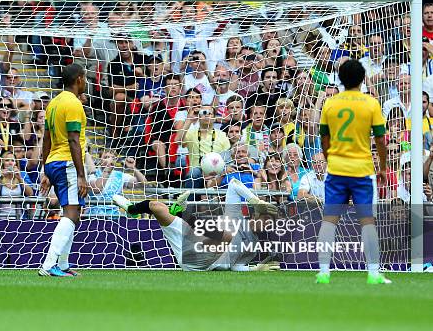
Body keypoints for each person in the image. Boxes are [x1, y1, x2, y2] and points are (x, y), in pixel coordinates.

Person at [316, 59, 390, 285]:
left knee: (329, 220)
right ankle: (374, 273)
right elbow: (380, 139)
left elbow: (324, 138)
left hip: (336, 169)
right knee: (367, 221)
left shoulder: (330, 103)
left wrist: (331, 159)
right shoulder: (371, 103)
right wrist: (384, 167)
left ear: (340, 79)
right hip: (362, 170)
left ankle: (324, 272)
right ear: (362, 79)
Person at [112, 179, 279, 271]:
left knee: (223, 234)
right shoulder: (236, 216)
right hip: (188, 245)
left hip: (202, 263)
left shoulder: (253, 245)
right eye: (265, 218)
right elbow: (234, 183)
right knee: (155, 206)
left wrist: (255, 269)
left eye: (270, 223)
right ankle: (132, 209)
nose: (266, 224)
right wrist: (254, 200)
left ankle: (181, 212)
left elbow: (234, 267)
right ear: (256, 213)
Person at [38, 64, 88, 277]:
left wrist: (45, 169)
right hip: (67, 162)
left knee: (74, 212)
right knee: (70, 213)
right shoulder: (73, 105)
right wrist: (81, 175)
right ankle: (49, 265)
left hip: (54, 162)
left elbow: (47, 138)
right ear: (78, 79)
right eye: (84, 79)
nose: (85, 82)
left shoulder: (54, 103)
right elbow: (74, 140)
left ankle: (64, 264)